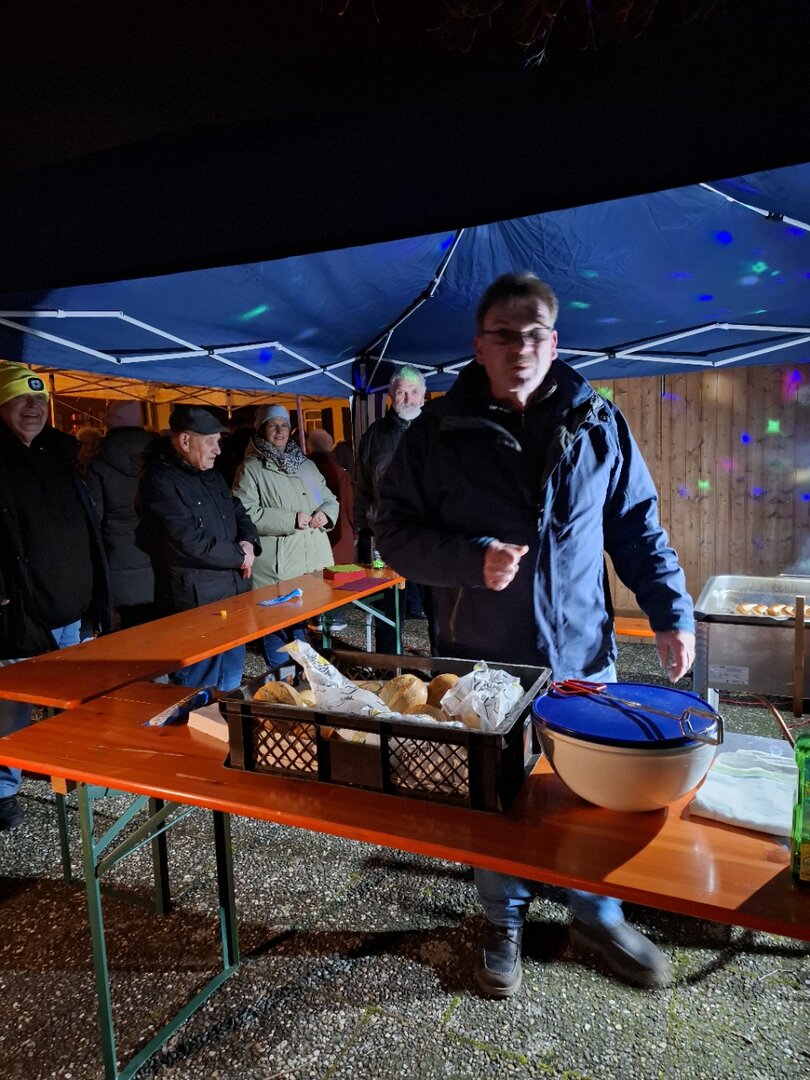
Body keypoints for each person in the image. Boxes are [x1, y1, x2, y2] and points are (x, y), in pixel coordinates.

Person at [374, 272, 695, 996]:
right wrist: (471, 560)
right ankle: (503, 920)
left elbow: (637, 527)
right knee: (498, 798)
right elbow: (392, 533)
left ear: (554, 343)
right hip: (481, 657)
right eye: (503, 335)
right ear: (478, 346)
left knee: (592, 790)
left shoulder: (597, 422)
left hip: (582, 652)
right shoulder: (435, 435)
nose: (519, 347)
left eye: (533, 334)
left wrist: (672, 613)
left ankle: (596, 915)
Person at [0, 362, 112, 831]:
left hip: (73, 610)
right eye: (21, 398)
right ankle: (4, 791)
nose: (34, 408)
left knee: (70, 701)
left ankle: (66, 766)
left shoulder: (58, 455)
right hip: (20, 614)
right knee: (10, 707)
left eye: (41, 400)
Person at [136, 404, 260, 691]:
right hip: (197, 604)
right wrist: (239, 555)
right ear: (185, 441)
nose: (218, 450)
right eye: (211, 442)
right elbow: (186, 541)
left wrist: (249, 542)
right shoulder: (159, 481)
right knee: (197, 689)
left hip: (232, 595)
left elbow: (237, 509)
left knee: (230, 683)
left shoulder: (210, 473)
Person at [232, 405, 338, 668]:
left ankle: (305, 680)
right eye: (272, 425)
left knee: (304, 630)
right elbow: (244, 513)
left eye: (283, 425)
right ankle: (284, 682)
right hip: (277, 569)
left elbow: (327, 499)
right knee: (277, 630)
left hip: (312, 563)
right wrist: (289, 520)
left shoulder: (305, 466)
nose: (279, 431)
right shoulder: (251, 469)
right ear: (261, 430)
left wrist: (325, 514)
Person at [353, 365, 432, 651]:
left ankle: (443, 669)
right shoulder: (375, 436)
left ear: (423, 395)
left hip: (431, 537)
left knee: (438, 611)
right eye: (401, 392)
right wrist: (363, 528)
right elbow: (361, 485)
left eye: (413, 392)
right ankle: (389, 666)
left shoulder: (436, 430)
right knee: (389, 612)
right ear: (390, 396)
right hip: (387, 538)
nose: (407, 399)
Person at [85, 400, 157, 630]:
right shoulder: (159, 455)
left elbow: (94, 516)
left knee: (130, 629)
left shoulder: (99, 462)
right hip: (159, 554)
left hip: (119, 557)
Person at [306, 427, 355, 563]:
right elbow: (350, 508)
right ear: (330, 445)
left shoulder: (303, 472)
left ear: (310, 446)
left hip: (313, 533)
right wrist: (356, 533)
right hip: (341, 536)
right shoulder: (341, 474)